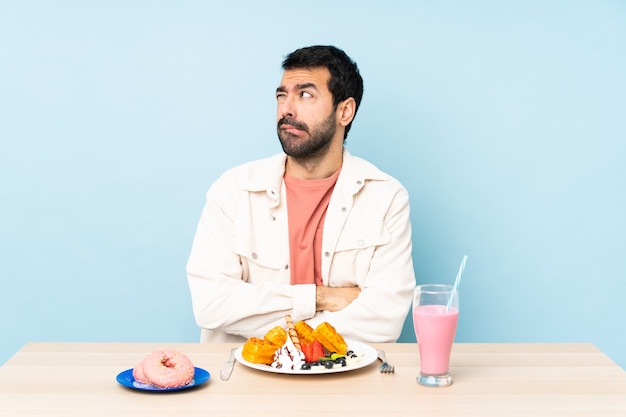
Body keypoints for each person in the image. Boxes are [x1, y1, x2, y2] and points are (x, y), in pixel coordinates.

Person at [187, 45, 415, 344]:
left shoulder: (385, 197)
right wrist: (319, 297)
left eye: (304, 94)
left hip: (345, 380)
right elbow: (211, 306)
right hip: (243, 379)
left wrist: (258, 313)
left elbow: (384, 321)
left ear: (344, 111)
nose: (287, 109)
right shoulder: (233, 190)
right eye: (282, 95)